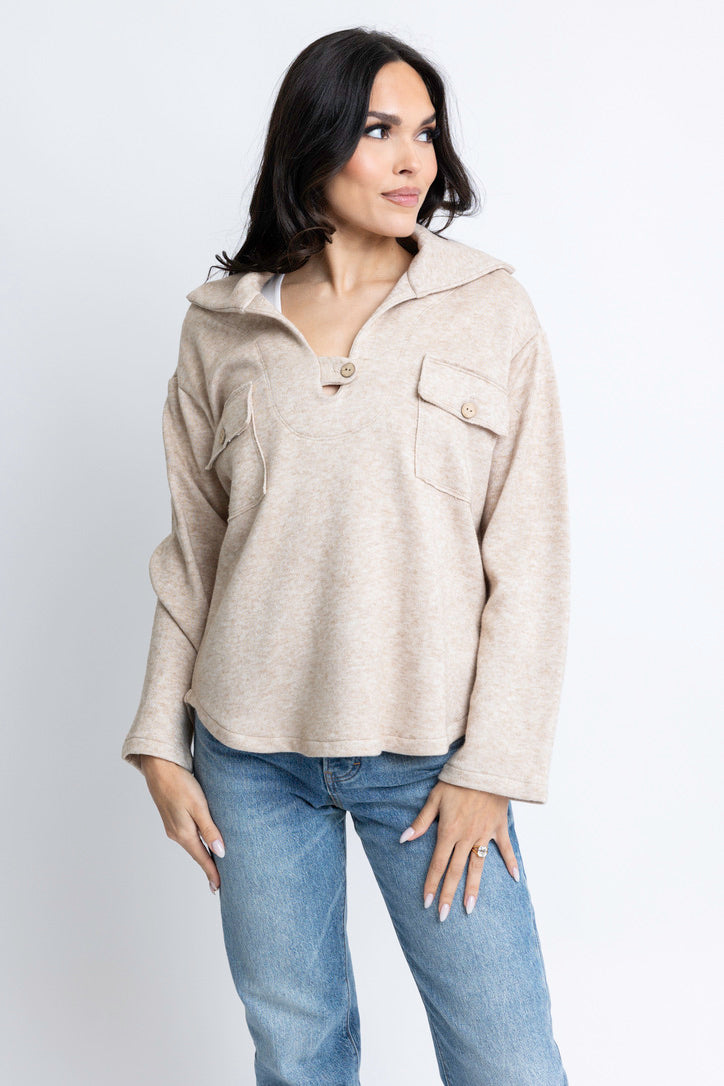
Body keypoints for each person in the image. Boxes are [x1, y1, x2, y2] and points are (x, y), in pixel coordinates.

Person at [121, 26, 571, 1086]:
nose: (414, 160)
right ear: (313, 142)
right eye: (379, 131)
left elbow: (534, 557)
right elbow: (194, 552)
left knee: (506, 1058)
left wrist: (492, 768)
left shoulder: (489, 308)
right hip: (249, 758)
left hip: (430, 759)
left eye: (425, 132)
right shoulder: (221, 326)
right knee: (298, 1052)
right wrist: (158, 740)